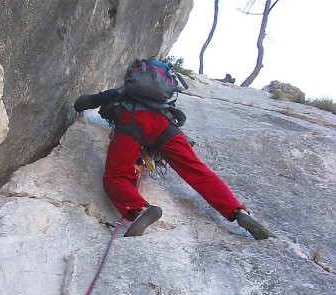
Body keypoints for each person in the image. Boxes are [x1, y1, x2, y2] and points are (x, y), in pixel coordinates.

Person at [74, 58, 275, 240]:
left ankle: (141, 209)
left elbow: (81, 103)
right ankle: (239, 212)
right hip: (165, 126)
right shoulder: (163, 99)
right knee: (198, 172)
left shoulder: (121, 92)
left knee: (115, 177)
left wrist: (86, 103)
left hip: (132, 124)